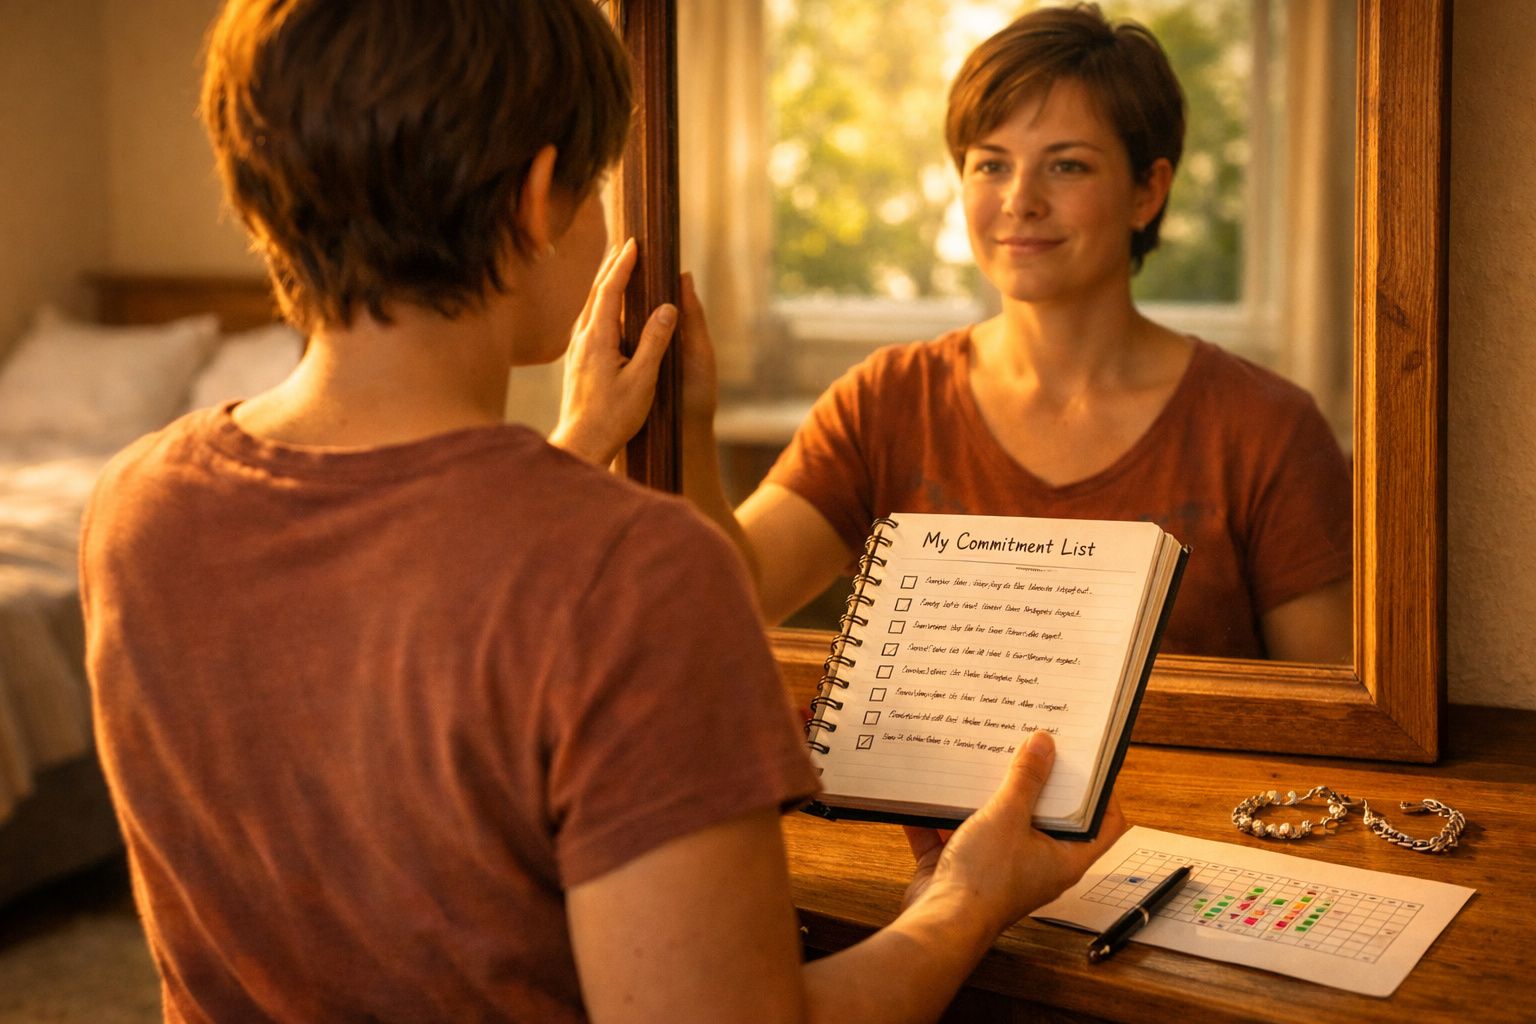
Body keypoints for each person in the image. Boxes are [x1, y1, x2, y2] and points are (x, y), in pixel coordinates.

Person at [80, 1, 1122, 1020]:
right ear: (539, 197)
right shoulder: (637, 572)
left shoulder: (136, 510)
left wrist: (573, 451)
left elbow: (392, 605)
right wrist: (966, 894)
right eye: (599, 185)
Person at [571, 3, 1353, 663]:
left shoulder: (1268, 431)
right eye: (990, 165)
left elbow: (1334, 722)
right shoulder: (888, 400)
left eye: (1068, 166)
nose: (1019, 201)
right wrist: (694, 421)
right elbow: (734, 601)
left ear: (1149, 190)